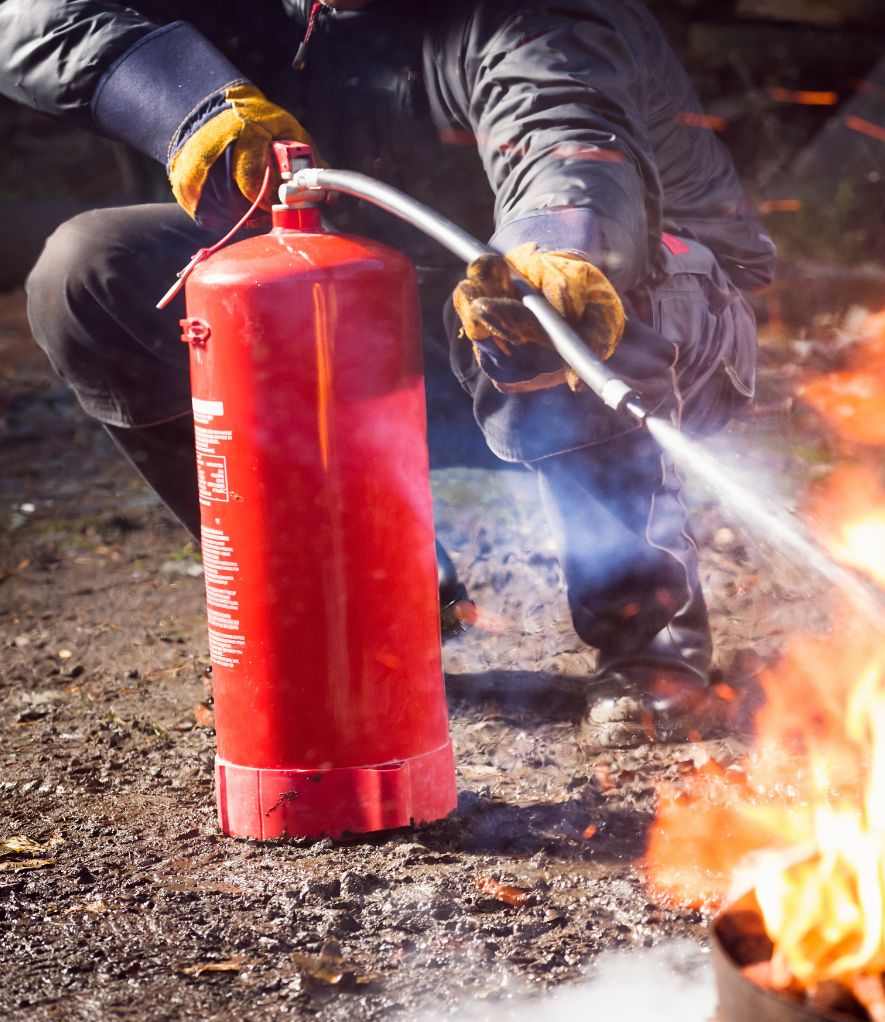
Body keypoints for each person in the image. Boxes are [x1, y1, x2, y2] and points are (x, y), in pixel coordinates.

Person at [0, 0, 774, 748]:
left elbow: (565, 134)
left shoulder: (535, 15)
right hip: (380, 298)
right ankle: (373, 610)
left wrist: (555, 238)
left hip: (652, 317)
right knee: (90, 271)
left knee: (544, 289)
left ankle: (646, 640)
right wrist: (179, 97)